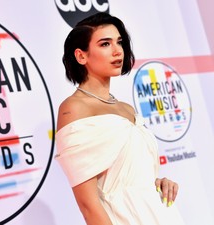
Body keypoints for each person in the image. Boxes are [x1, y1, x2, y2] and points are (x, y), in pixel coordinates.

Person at [55, 12, 185, 225]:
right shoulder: (73, 108)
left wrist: (158, 184)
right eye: (105, 44)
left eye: (120, 42)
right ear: (81, 56)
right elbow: (88, 205)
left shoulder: (127, 109)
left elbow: (130, 175)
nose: (117, 51)